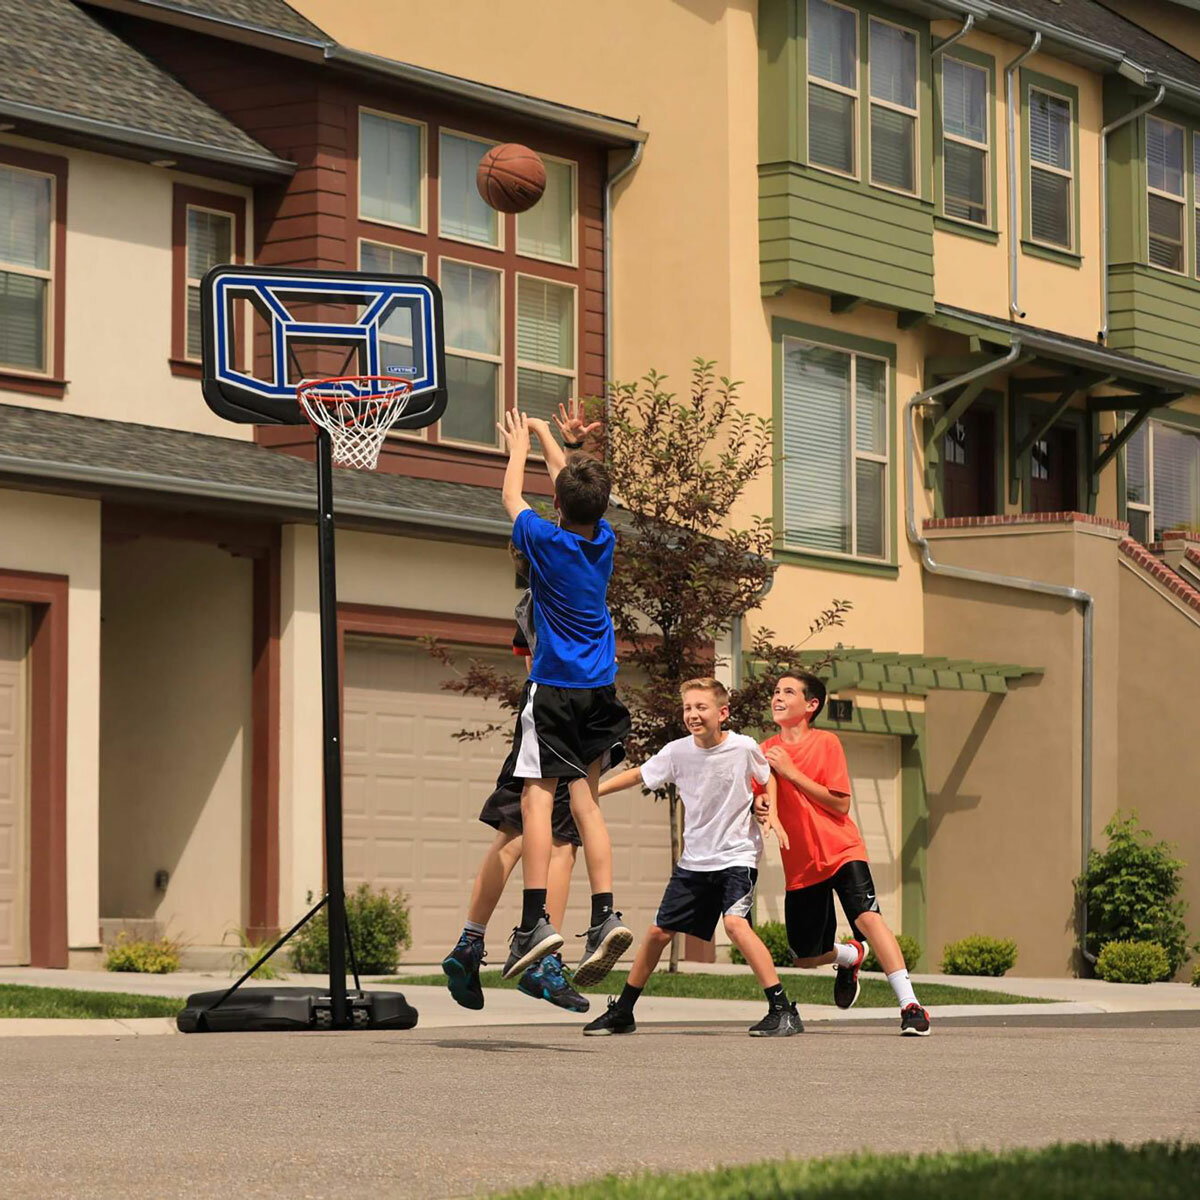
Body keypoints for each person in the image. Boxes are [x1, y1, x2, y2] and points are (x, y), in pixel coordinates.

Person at [441, 408, 600, 1013]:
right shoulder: (576, 556)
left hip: (546, 708)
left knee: (517, 838)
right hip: (557, 708)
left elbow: (552, 498)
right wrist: (548, 445)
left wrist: (544, 444)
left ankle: (472, 944)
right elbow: (572, 501)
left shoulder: (545, 556)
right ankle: (540, 955)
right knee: (558, 840)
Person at [494, 406, 633, 987]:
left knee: (535, 797)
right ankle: (604, 916)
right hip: (601, 690)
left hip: (555, 688)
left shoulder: (542, 540)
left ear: (559, 505)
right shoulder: (604, 540)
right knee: (588, 806)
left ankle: (535, 921)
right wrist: (550, 439)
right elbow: (572, 488)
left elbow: (511, 499)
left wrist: (517, 448)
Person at [582, 678, 803, 1037]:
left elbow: (769, 776)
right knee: (657, 933)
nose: (693, 714)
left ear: (722, 713)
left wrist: (772, 811)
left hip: (736, 856)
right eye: (688, 708)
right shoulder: (677, 752)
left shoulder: (743, 747)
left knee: (734, 925)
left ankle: (782, 1009)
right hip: (695, 862)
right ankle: (623, 1011)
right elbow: (640, 774)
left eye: (701, 707)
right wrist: (590, 794)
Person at [755, 673, 931, 1036]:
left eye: (788, 692)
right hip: (801, 865)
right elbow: (762, 794)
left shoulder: (826, 743)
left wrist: (791, 772)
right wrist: (762, 808)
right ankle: (851, 956)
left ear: (811, 705)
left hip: (841, 849)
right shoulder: (765, 749)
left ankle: (910, 1005)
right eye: (776, 691)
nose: (778, 697)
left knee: (868, 918)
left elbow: (840, 803)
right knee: (805, 958)